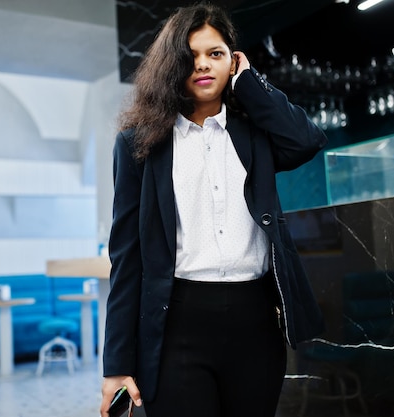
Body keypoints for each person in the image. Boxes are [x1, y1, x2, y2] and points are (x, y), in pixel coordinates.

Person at [100, 3, 328, 417]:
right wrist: (116, 364)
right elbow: (126, 258)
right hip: (176, 324)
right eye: (190, 56)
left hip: (256, 320)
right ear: (172, 66)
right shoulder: (138, 145)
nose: (203, 65)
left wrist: (251, 84)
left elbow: (306, 141)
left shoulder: (256, 132)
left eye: (216, 54)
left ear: (232, 61)